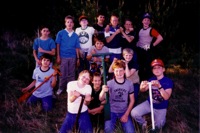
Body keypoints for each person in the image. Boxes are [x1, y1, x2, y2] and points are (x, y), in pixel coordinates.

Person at [131, 59, 173, 131]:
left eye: (159, 67)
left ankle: (160, 120)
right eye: (154, 68)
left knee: (159, 126)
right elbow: (143, 90)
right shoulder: (151, 79)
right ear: (152, 71)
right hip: (149, 103)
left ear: (163, 69)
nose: (156, 70)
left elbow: (166, 97)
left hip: (161, 107)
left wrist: (159, 86)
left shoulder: (168, 81)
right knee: (134, 113)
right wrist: (142, 87)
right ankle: (144, 123)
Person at [99, 60, 135, 133]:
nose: (119, 73)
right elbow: (101, 99)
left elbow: (132, 100)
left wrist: (126, 114)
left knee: (130, 131)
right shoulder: (109, 83)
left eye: (121, 70)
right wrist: (103, 91)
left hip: (124, 111)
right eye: (116, 71)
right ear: (114, 72)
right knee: (108, 130)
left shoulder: (129, 84)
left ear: (124, 71)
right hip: (112, 111)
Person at [55, 15, 81, 95]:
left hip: (73, 57)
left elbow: (77, 48)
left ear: (73, 24)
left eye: (71, 22)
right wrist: (58, 56)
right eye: (68, 22)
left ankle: (70, 89)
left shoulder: (76, 35)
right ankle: (61, 88)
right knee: (63, 74)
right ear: (65, 23)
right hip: (63, 56)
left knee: (72, 74)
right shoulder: (61, 33)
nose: (69, 24)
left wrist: (78, 58)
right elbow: (58, 45)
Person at [136, 12, 163, 81]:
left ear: (150, 22)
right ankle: (141, 83)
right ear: (142, 21)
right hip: (139, 51)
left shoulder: (151, 30)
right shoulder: (140, 30)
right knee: (140, 67)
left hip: (147, 51)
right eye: (145, 20)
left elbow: (160, 38)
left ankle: (150, 83)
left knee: (148, 67)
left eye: (148, 20)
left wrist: (152, 45)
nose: (146, 22)